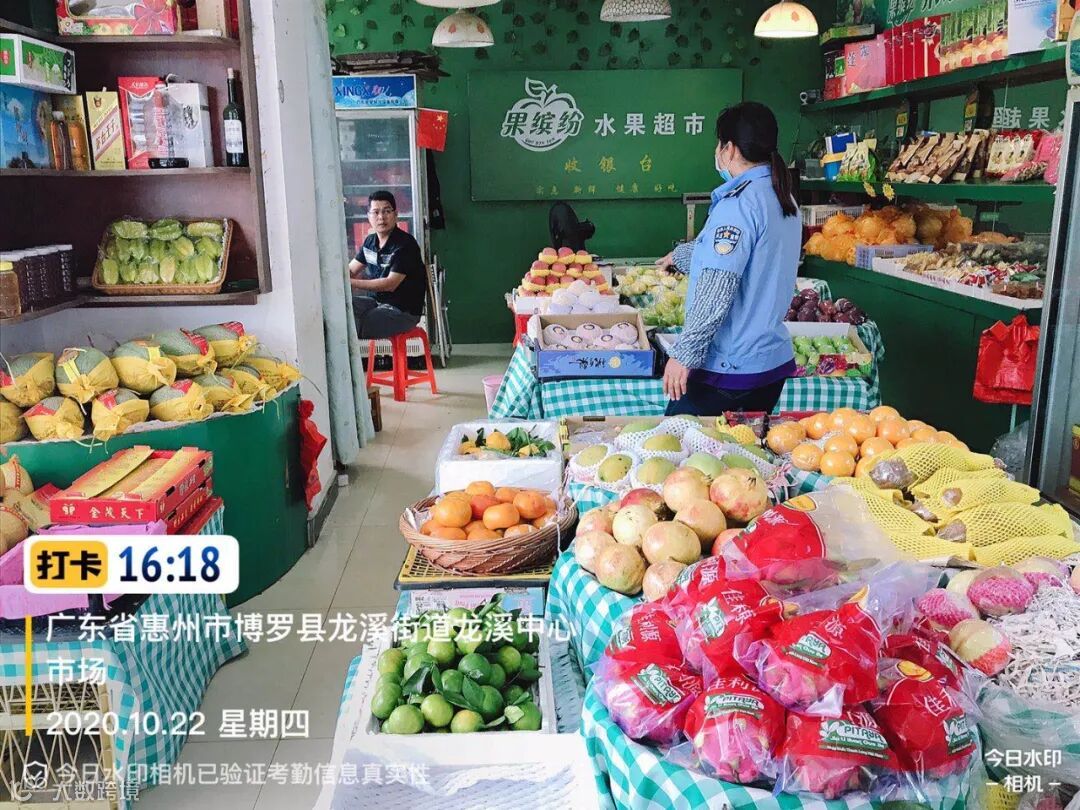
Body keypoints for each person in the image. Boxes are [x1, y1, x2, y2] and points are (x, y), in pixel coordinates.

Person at [656, 102, 801, 416]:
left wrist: (684, 354)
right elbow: (753, 258)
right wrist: (681, 256)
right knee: (742, 447)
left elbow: (717, 288)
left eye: (719, 144)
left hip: (729, 369)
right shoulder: (781, 196)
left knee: (679, 443)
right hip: (769, 365)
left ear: (730, 149)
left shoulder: (738, 204)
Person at [348, 190, 428, 339]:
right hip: (376, 302)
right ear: (368, 216)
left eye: (386, 211)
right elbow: (351, 270)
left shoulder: (405, 244)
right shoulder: (370, 242)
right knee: (342, 308)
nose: (381, 217)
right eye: (376, 212)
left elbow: (390, 284)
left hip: (402, 311)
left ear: (396, 214)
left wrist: (351, 283)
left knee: (358, 323)